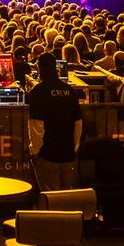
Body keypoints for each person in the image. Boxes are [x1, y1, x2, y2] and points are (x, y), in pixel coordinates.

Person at [26, 54, 83, 192]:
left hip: (47, 153)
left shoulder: (38, 92)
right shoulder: (70, 91)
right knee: (67, 194)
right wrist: (74, 147)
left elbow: (36, 125)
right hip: (68, 153)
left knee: (51, 195)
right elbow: (78, 123)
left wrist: (35, 151)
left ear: (39, 68)